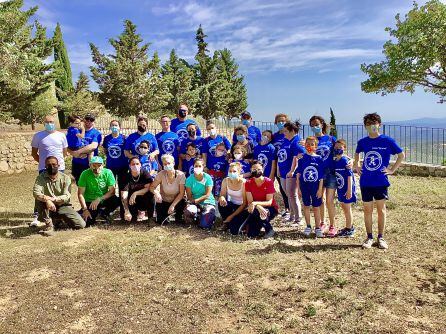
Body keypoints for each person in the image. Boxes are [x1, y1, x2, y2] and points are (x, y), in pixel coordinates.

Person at [354, 113, 404, 249]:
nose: (372, 125)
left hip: (381, 181)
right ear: (365, 126)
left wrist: (392, 170)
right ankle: (369, 237)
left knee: (381, 210)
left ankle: (381, 237)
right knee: (367, 210)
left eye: (374, 122)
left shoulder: (387, 141)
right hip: (365, 181)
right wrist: (356, 165)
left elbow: (401, 155)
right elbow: (357, 152)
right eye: (368, 123)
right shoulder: (363, 142)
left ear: (379, 124)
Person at [30, 114, 68, 226]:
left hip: (59, 169)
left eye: (51, 122)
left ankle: (58, 216)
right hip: (43, 169)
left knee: (60, 192)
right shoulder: (38, 136)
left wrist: (57, 164)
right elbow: (34, 153)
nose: (50, 124)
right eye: (47, 122)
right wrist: (43, 163)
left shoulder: (61, 136)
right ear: (44, 123)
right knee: (40, 192)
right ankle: (37, 216)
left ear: (55, 122)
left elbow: (64, 152)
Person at [33, 156, 85, 236]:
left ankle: (58, 219)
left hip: (62, 204)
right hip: (47, 206)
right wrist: (47, 200)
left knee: (81, 225)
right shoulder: (41, 177)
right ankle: (49, 225)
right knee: (39, 200)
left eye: (54, 164)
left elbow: (66, 195)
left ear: (58, 165)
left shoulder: (65, 178)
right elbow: (36, 192)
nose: (51, 166)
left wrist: (54, 199)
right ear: (45, 166)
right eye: (48, 165)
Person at [309, 115, 337, 236]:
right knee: (320, 199)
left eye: (317, 124)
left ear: (322, 124)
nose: (315, 127)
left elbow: (339, 152)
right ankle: (322, 222)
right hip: (317, 174)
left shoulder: (331, 139)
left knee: (329, 201)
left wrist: (350, 161)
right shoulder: (311, 140)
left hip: (330, 173)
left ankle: (332, 226)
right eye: (312, 125)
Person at [77, 156, 120, 226]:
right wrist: (85, 209)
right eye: (94, 165)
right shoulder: (84, 174)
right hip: (90, 201)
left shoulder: (108, 172)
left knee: (117, 200)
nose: (96, 168)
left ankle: (104, 213)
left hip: (103, 198)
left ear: (103, 165)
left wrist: (99, 199)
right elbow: (80, 194)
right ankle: (81, 212)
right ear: (90, 165)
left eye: (99, 165)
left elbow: (112, 191)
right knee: (88, 223)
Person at [295, 137, 325, 238]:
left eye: (312, 144)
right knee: (306, 206)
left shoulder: (319, 159)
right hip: (304, 186)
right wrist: (298, 188)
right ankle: (308, 226)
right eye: (307, 144)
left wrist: (320, 189)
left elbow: (321, 177)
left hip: (316, 187)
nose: (309, 146)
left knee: (316, 207)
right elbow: (298, 175)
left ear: (315, 146)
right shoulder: (302, 158)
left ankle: (317, 227)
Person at [277, 121, 305, 225]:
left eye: (286, 131)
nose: (284, 133)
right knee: (288, 194)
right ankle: (292, 216)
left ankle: (298, 218)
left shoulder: (297, 142)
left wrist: (292, 171)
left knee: (292, 195)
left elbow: (298, 158)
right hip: (283, 172)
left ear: (292, 131)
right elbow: (280, 156)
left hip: (291, 173)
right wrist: (279, 170)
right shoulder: (286, 140)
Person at [243, 160, 278, 238]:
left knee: (260, 212)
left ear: (263, 169)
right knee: (251, 235)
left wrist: (256, 204)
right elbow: (250, 201)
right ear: (251, 170)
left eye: (259, 169)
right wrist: (257, 206)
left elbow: (269, 202)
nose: (257, 171)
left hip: (270, 208)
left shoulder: (268, 182)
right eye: (254, 169)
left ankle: (269, 229)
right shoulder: (248, 183)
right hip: (254, 208)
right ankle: (259, 225)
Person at [150, 154, 186, 225]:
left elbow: (181, 193)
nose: (167, 165)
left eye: (169, 163)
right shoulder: (161, 174)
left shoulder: (181, 175)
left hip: (177, 201)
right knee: (162, 223)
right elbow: (152, 187)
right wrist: (157, 193)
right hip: (164, 200)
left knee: (179, 222)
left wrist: (172, 205)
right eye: (165, 164)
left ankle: (178, 216)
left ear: (173, 163)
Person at [69, 113, 102, 184]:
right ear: (83, 120)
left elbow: (93, 146)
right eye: (87, 119)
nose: (89, 121)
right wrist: (72, 153)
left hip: (90, 165)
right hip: (77, 163)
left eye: (91, 119)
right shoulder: (76, 130)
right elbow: (67, 144)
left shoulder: (96, 133)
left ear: (94, 121)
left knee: (91, 185)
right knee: (79, 185)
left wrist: (77, 152)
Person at [332, 139, 356, 237]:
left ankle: (349, 229)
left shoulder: (344, 161)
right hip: (341, 188)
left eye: (340, 147)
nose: (338, 149)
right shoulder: (336, 161)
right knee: (344, 206)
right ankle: (349, 226)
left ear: (344, 148)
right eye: (336, 147)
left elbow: (349, 176)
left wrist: (349, 190)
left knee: (347, 208)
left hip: (347, 188)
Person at [184, 158, 216, 229]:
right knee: (188, 212)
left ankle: (208, 216)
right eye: (196, 166)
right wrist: (191, 203)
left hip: (208, 202)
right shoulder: (189, 179)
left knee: (204, 225)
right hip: (195, 203)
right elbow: (189, 196)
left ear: (203, 167)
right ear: (193, 166)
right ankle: (199, 215)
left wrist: (196, 201)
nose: (197, 168)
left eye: (199, 166)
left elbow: (207, 195)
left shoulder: (208, 178)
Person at [121, 157, 155, 222]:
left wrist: (135, 193)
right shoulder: (126, 176)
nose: (135, 166)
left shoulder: (145, 173)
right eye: (133, 164)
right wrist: (126, 210)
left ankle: (150, 218)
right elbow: (124, 195)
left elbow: (149, 188)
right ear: (129, 166)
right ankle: (133, 217)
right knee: (127, 197)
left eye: (137, 164)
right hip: (133, 200)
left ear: (140, 165)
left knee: (151, 194)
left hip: (144, 198)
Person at [218, 162, 248, 234]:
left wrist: (231, 216)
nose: (232, 173)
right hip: (232, 205)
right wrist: (222, 198)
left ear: (239, 172)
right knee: (221, 204)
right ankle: (226, 222)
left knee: (234, 231)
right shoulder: (226, 180)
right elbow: (222, 195)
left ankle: (232, 221)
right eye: (230, 171)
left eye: (234, 171)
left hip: (242, 208)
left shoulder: (244, 183)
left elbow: (245, 204)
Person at [271, 113, 291, 220]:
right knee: (282, 188)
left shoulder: (289, 134)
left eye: (283, 121)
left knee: (290, 189)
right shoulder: (274, 136)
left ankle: (293, 209)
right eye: (279, 121)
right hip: (277, 166)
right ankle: (287, 208)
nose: (281, 123)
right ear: (275, 123)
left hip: (288, 166)